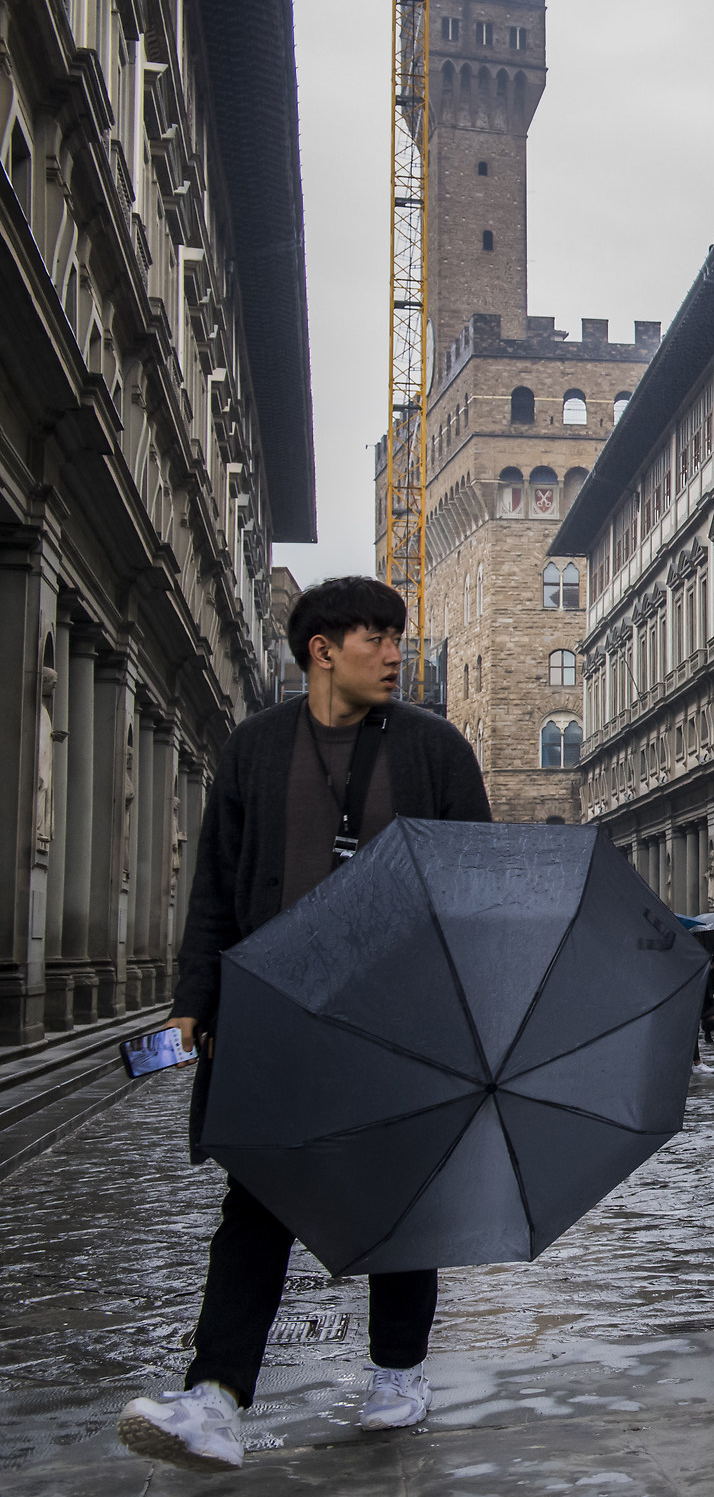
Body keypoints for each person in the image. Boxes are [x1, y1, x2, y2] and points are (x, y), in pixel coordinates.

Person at [118, 578, 491, 1474]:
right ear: (321, 649)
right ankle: (214, 1398)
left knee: (402, 1200)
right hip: (277, 1015)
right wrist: (193, 1002)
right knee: (256, 1203)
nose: (397, 651)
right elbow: (216, 887)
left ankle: (397, 1371)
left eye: (398, 635)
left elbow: (481, 876)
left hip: (400, 1018)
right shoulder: (254, 749)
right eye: (377, 635)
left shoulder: (436, 748)